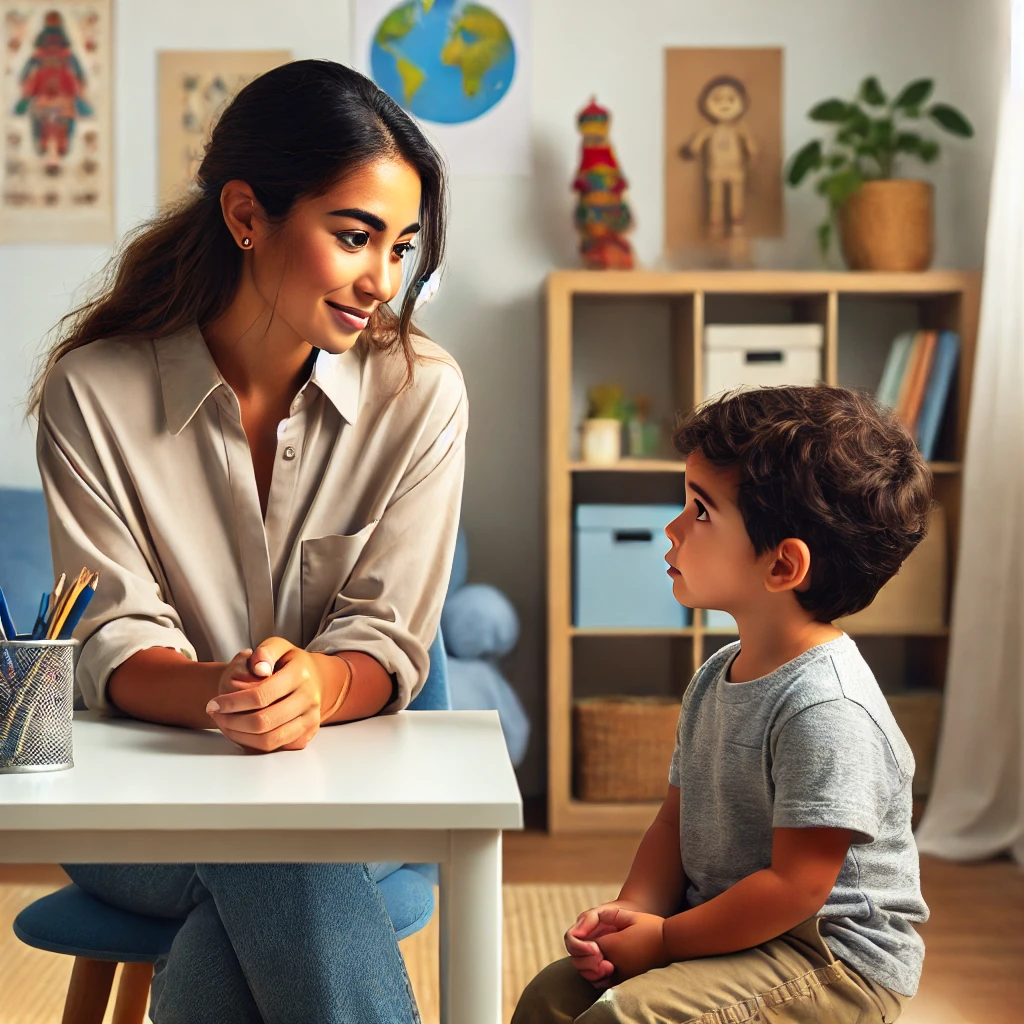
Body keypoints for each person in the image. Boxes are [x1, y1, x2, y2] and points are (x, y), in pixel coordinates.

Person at [29, 59, 465, 1024]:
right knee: (285, 852)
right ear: (245, 215)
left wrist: (316, 687)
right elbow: (109, 642)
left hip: (355, 799)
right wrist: (230, 698)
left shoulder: (422, 395)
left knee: (279, 865)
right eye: (354, 237)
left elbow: (390, 641)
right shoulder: (92, 394)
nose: (380, 280)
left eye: (400, 248)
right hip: (139, 814)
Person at [514, 385, 931, 1024]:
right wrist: (633, 919)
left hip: (828, 961)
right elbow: (674, 824)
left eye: (701, 511)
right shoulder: (716, 675)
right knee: (551, 997)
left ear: (784, 566)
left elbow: (796, 889)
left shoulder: (827, 709)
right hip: (733, 923)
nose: (673, 527)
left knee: (622, 1018)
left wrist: (665, 942)